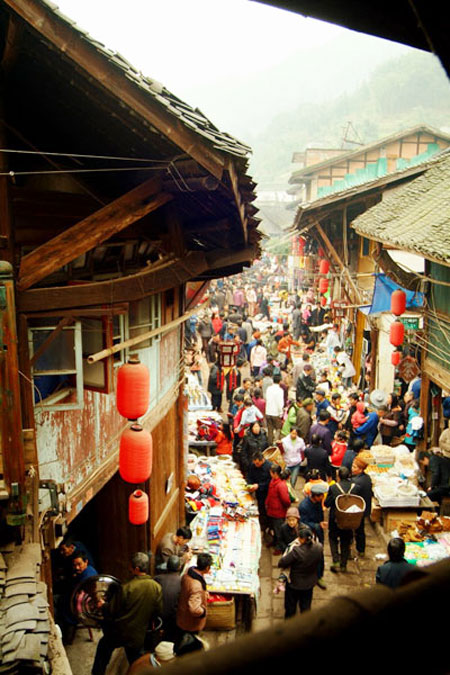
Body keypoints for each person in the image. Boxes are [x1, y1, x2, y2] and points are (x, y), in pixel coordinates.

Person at [92, 552, 163, 674]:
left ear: (136, 569)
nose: (128, 568)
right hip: (139, 635)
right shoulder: (156, 587)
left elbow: (112, 610)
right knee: (136, 661)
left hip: (119, 632)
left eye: (130, 566)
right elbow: (158, 610)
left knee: (103, 648)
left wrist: (103, 605)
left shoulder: (126, 588)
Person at [278, 525, 323, 617]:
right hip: (309, 583)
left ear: (303, 539)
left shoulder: (296, 551)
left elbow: (282, 562)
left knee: (290, 608)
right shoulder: (318, 548)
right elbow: (320, 563)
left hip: (294, 584)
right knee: (305, 608)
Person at [175, 553, 212, 654]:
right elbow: (194, 609)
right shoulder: (196, 586)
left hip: (182, 613)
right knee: (189, 644)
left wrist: (204, 594)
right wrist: (203, 611)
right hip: (190, 622)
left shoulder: (188, 573)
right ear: (207, 567)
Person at [324, 466, 353, 573]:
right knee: (345, 540)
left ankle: (335, 559)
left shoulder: (334, 488)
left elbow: (327, 503)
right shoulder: (355, 487)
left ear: (338, 477)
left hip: (335, 518)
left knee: (333, 538)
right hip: (349, 519)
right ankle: (343, 564)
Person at [298, 484, 328, 588]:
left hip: (318, 533)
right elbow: (303, 522)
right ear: (315, 496)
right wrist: (317, 525)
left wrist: (321, 523)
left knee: (319, 554)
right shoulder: (304, 506)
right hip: (308, 534)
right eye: (321, 496)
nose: (322, 498)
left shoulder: (318, 503)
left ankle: (319, 576)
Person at [265, 463, 292, 555]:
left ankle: (279, 547)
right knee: (273, 528)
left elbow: (286, 500)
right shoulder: (273, 481)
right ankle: (274, 542)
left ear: (274, 473)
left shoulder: (281, 485)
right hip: (271, 510)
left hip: (278, 512)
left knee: (279, 531)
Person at [154, 556, 182, 642]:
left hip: (157, 615)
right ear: (179, 567)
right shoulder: (182, 581)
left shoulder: (157, 578)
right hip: (173, 617)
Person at [351, 452, 374, 557]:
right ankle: (361, 549)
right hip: (365, 508)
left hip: (358, 509)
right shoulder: (367, 478)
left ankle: (358, 548)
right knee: (360, 529)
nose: (352, 468)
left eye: (354, 467)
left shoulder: (357, 482)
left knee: (358, 529)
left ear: (360, 469)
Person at [247, 452, 272, 529]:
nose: (256, 465)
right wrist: (250, 484)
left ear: (262, 460)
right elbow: (249, 476)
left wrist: (259, 486)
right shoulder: (253, 465)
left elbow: (270, 482)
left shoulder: (269, 467)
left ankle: (268, 525)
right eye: (255, 463)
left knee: (267, 509)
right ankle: (262, 524)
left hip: (267, 491)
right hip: (258, 491)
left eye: (258, 463)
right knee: (260, 508)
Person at [428, 428, 450, 505]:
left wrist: (432, 486)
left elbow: (436, 473)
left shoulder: (434, 460)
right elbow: (441, 442)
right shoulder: (446, 432)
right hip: (447, 456)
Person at [265, 373, 285, 445]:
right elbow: (280, 403)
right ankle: (276, 444)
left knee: (270, 430)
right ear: (280, 381)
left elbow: (267, 398)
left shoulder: (269, 389)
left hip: (268, 411)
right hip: (275, 413)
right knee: (278, 428)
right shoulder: (280, 390)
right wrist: (281, 412)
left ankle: (269, 444)